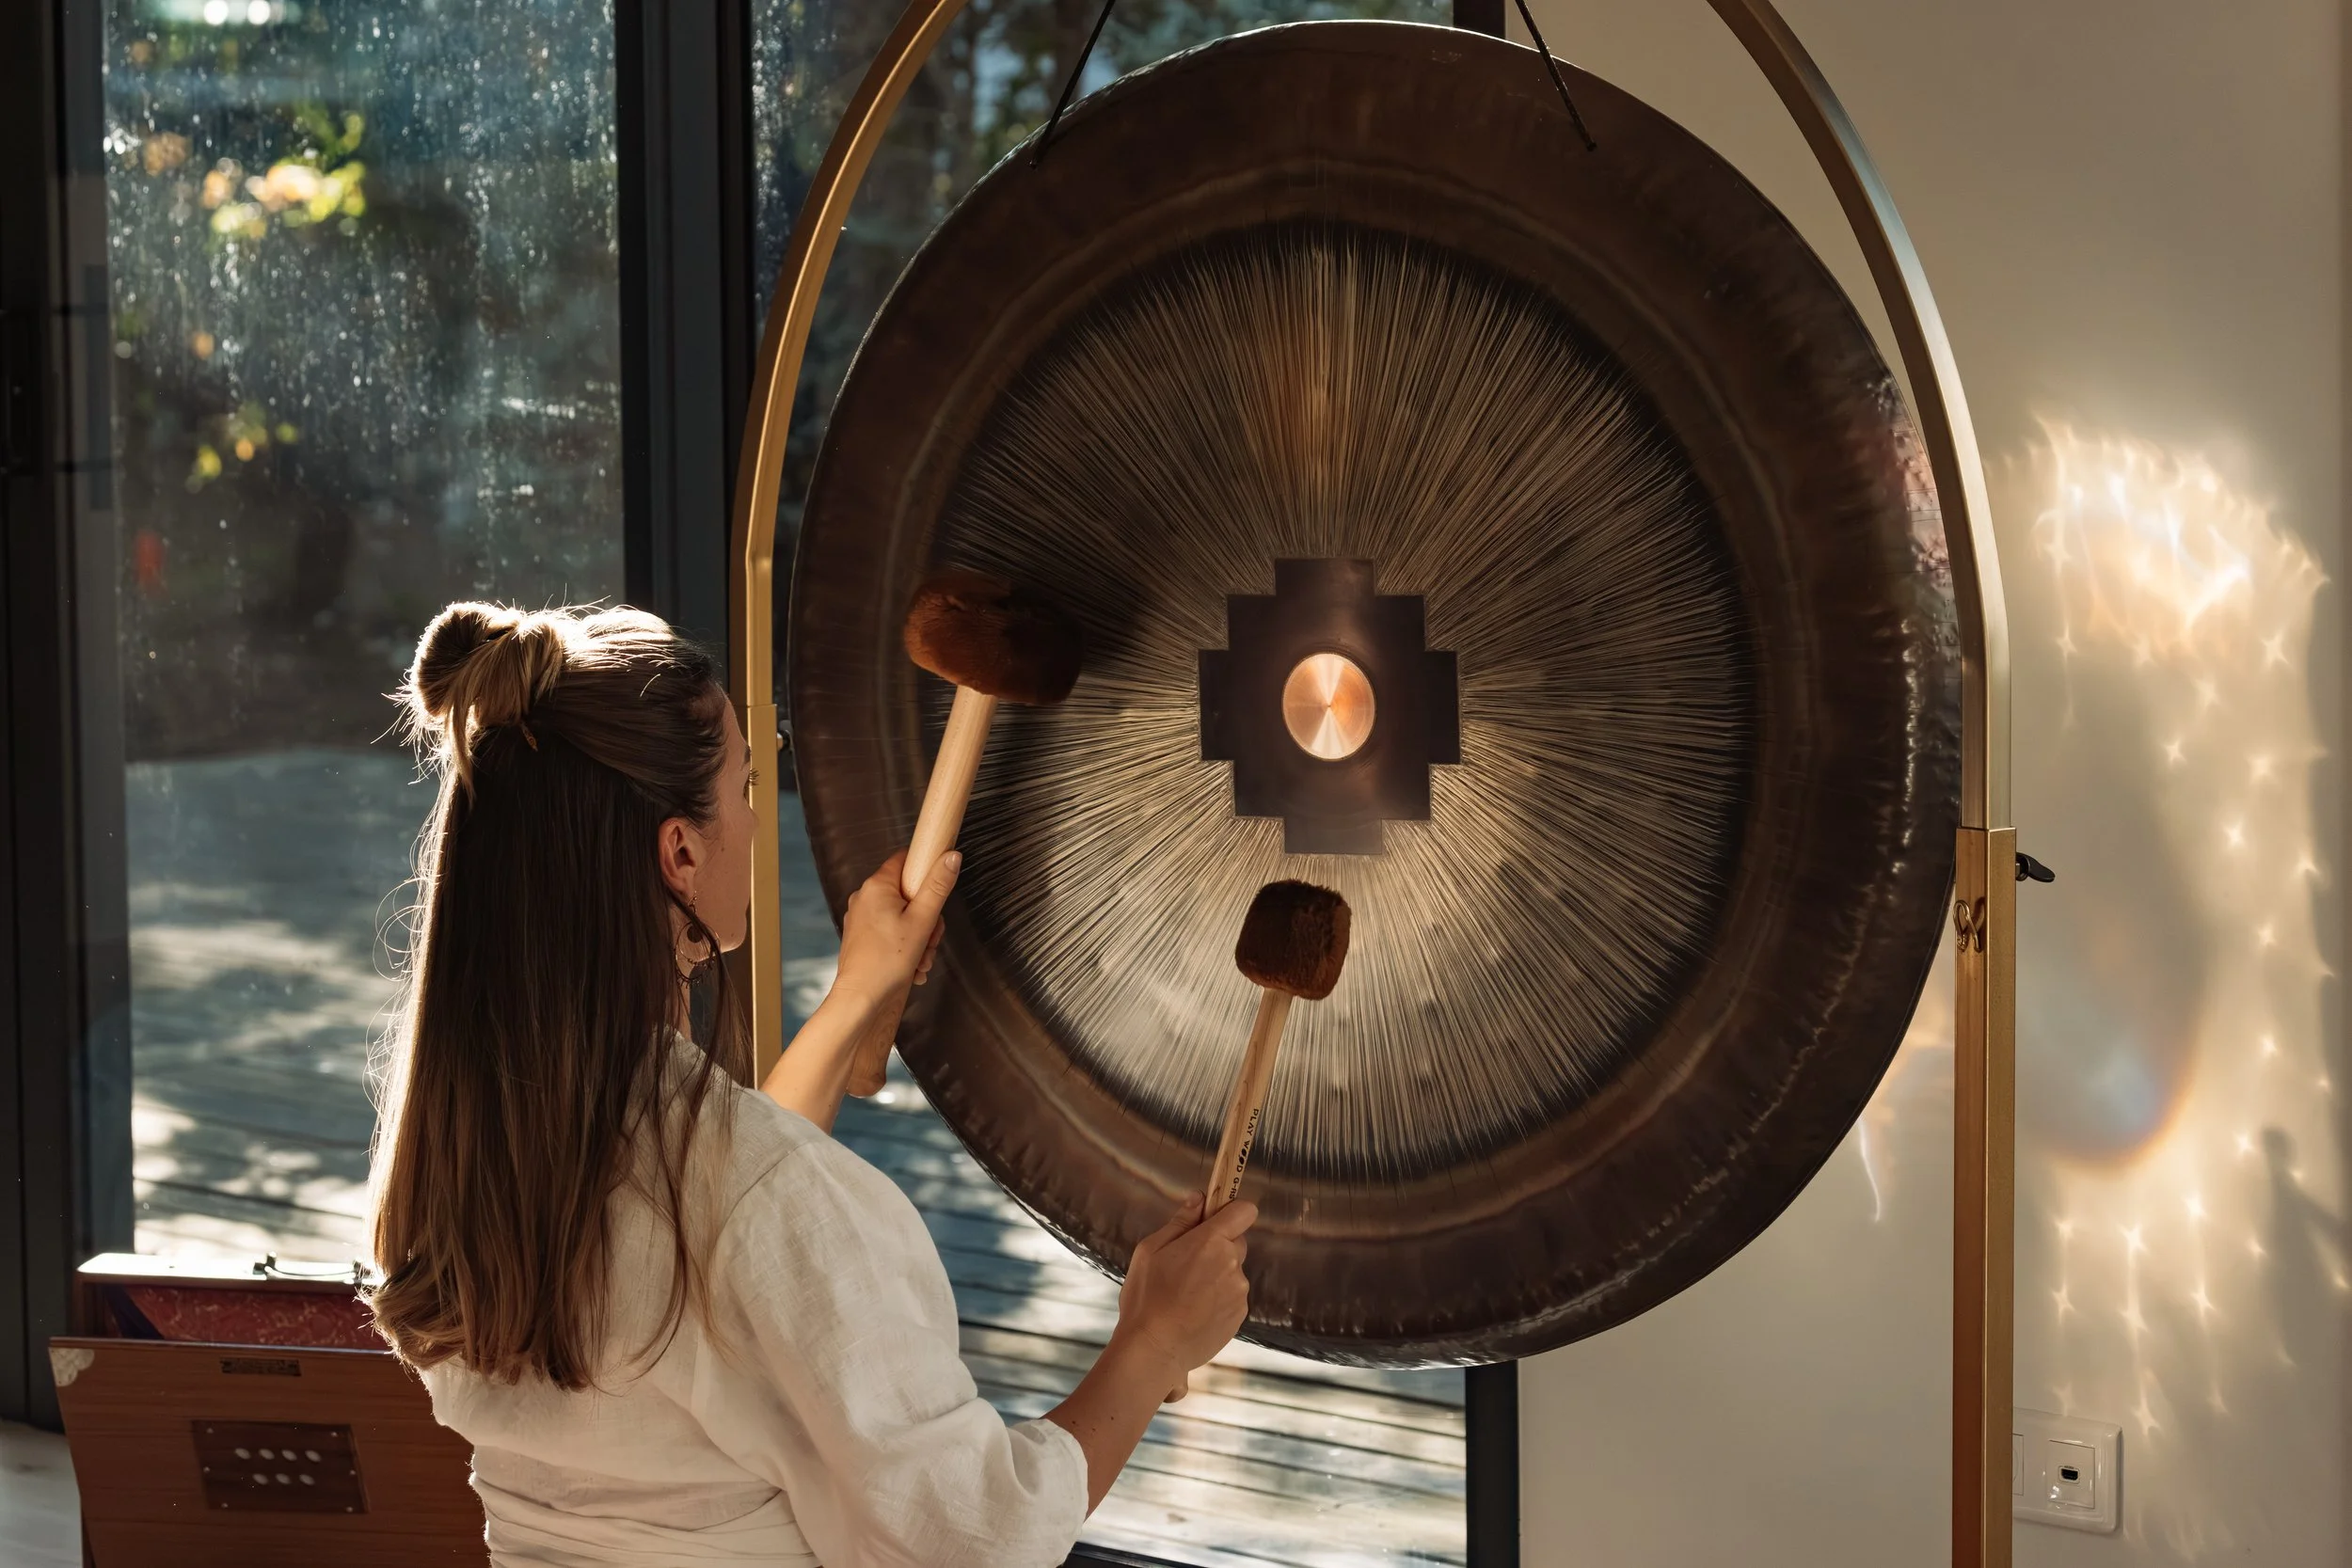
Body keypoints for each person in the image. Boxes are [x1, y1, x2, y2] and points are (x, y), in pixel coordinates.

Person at [368, 602, 1256, 1566]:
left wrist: (858, 994)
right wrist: (1153, 1343)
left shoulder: (461, 1163)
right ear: (680, 851)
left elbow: (721, 1265)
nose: (758, 815)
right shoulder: (752, 1196)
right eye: (747, 783)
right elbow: (976, 1537)